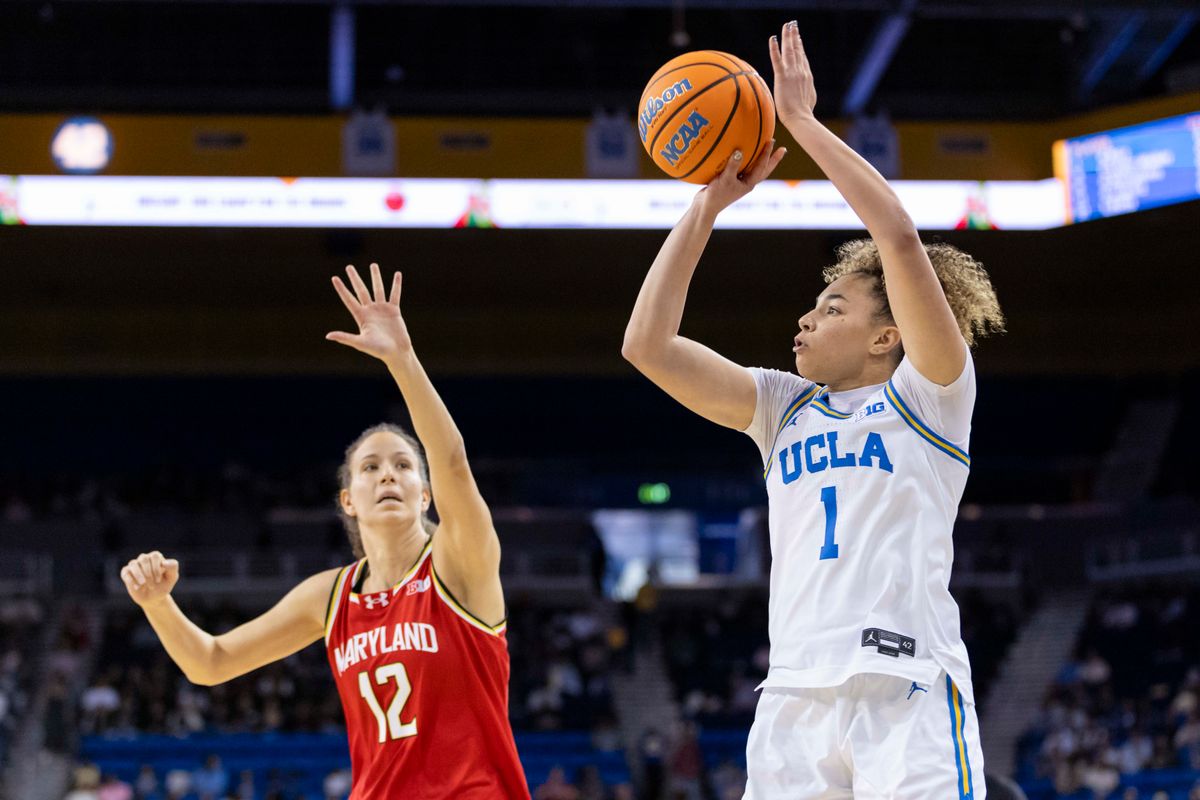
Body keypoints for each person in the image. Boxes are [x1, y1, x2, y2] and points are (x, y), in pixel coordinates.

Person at [622, 21, 1004, 800]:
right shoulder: (782, 407)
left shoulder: (930, 395)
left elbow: (896, 237)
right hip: (793, 699)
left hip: (907, 688)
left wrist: (801, 124)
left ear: (886, 334)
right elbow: (647, 345)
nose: (805, 321)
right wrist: (706, 208)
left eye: (831, 308)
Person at [120, 263, 530, 799]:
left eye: (405, 466)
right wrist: (157, 603)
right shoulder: (330, 597)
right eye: (371, 468)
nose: (389, 473)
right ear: (348, 501)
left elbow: (450, 460)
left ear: (425, 495)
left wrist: (402, 361)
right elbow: (210, 662)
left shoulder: (458, 564)